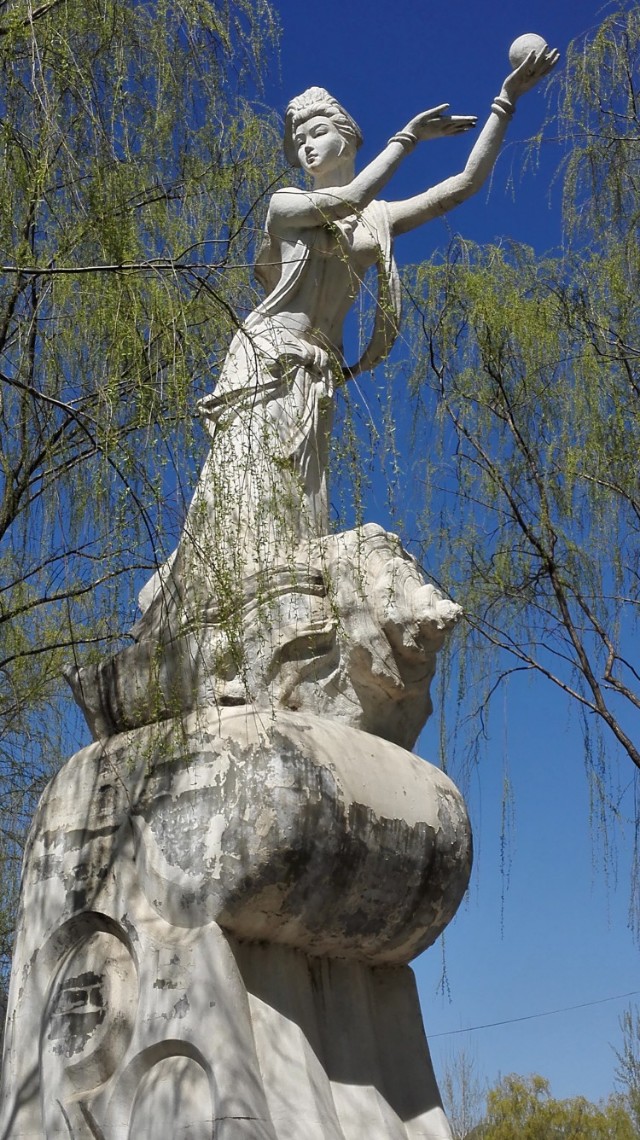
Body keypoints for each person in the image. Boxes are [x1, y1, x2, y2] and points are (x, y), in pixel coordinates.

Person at [139, 43, 558, 623]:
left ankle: (276, 604)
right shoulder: (287, 203)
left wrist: (505, 101)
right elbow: (349, 197)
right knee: (248, 477)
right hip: (267, 359)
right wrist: (407, 138)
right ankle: (215, 600)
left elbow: (462, 186)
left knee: (299, 495)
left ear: (345, 132)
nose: (306, 145)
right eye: (298, 139)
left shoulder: (378, 219)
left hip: (317, 373)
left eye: (316, 131)